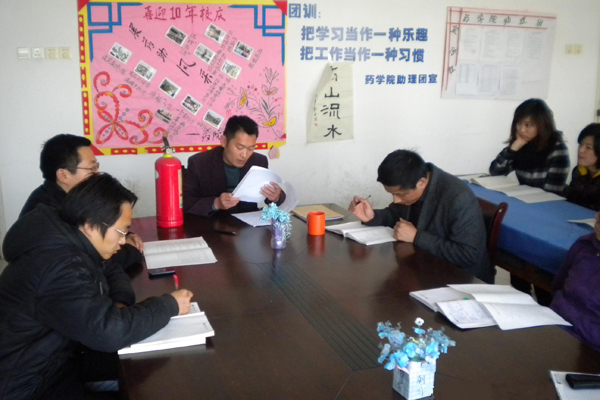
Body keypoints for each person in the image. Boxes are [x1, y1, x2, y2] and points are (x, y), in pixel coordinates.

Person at [0, 173, 194, 399]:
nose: (123, 241)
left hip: (58, 359)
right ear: (91, 226)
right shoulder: (60, 267)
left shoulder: (68, 237)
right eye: (121, 231)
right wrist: (168, 305)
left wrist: (120, 301)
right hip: (27, 386)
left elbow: (110, 268)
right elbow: (109, 333)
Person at [349, 150, 492, 283]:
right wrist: (373, 216)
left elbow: (467, 255)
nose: (396, 200)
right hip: (422, 268)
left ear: (421, 183)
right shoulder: (412, 183)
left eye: (400, 194)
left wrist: (417, 237)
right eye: (392, 194)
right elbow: (395, 214)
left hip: (460, 279)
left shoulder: (458, 197)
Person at [20, 134, 143, 266]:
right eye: (92, 169)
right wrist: (131, 249)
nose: (97, 175)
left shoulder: (73, 198)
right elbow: (92, 260)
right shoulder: (49, 213)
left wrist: (123, 233)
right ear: (63, 175)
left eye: (97, 167)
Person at [183, 115, 285, 216]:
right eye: (240, 147)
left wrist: (276, 197)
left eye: (250, 149)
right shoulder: (199, 163)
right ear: (224, 141)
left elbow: (270, 198)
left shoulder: (259, 161)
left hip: (247, 222)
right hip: (211, 223)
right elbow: (186, 202)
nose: (244, 155)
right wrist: (216, 203)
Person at [489, 98, 570, 195]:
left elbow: (552, 193)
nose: (521, 130)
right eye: (519, 123)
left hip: (543, 202)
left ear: (542, 126)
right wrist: (513, 149)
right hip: (524, 198)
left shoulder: (557, 150)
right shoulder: (523, 143)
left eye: (528, 125)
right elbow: (495, 173)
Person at [551, 212, 600, 352]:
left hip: (589, 348)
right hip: (553, 326)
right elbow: (558, 285)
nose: (596, 217)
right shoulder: (585, 244)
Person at [565, 123, 600, 211]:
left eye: (588, 147)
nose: (581, 150)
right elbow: (571, 201)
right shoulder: (578, 171)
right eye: (581, 144)